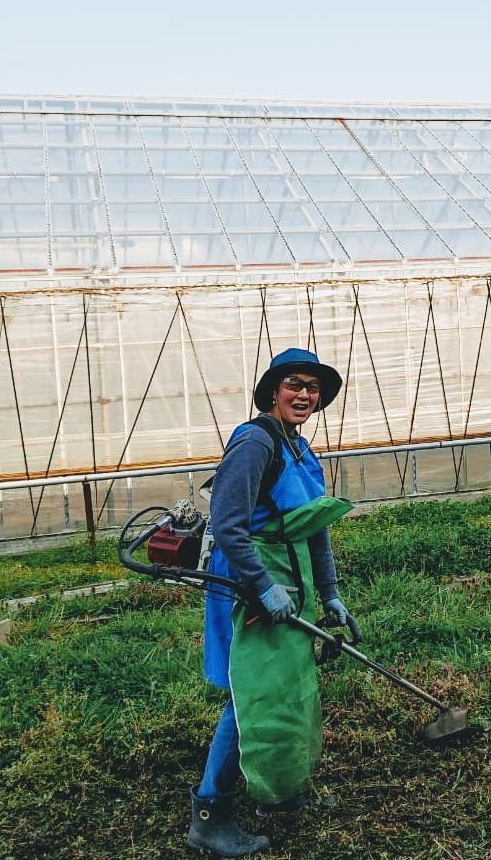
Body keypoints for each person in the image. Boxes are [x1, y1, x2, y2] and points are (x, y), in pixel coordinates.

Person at [187, 348, 356, 857]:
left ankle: (279, 791)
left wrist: (329, 594)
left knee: (289, 684)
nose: (304, 394)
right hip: (249, 582)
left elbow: (316, 526)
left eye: (312, 387)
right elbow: (229, 525)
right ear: (272, 392)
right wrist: (262, 586)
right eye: (293, 384)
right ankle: (209, 817)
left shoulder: (302, 450)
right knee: (253, 692)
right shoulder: (255, 443)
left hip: (292, 580)